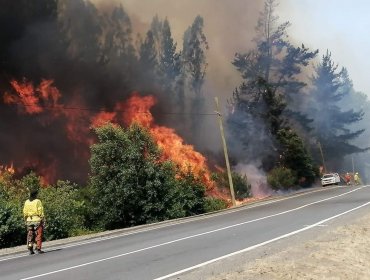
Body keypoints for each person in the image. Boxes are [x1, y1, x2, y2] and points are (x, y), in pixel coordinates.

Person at [23, 184, 45, 255]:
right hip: (37, 220)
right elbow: (40, 210)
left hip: (29, 220)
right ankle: (38, 249)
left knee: (30, 235)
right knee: (38, 234)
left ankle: (30, 249)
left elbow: (25, 212)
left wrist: (25, 219)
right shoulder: (37, 201)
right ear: (35, 194)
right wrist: (42, 218)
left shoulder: (26, 202)